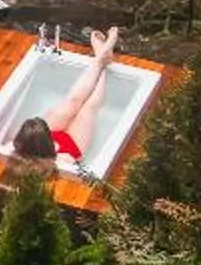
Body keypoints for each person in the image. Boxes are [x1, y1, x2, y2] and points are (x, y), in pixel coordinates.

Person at [11, 25, 121, 174]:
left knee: (73, 100)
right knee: (88, 109)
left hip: (42, 137)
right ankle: (103, 61)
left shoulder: (17, 145)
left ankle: (100, 58)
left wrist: (44, 135)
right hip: (70, 146)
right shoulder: (62, 160)